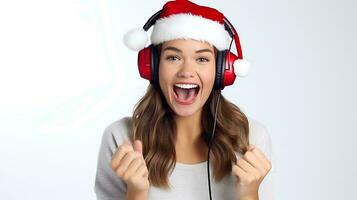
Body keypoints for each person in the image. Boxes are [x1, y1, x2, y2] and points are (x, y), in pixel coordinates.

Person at [94, 0, 274, 199]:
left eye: (202, 59)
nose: (187, 72)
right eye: (173, 58)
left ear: (222, 71)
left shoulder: (251, 138)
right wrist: (136, 194)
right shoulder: (120, 138)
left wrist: (249, 194)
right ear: (152, 66)